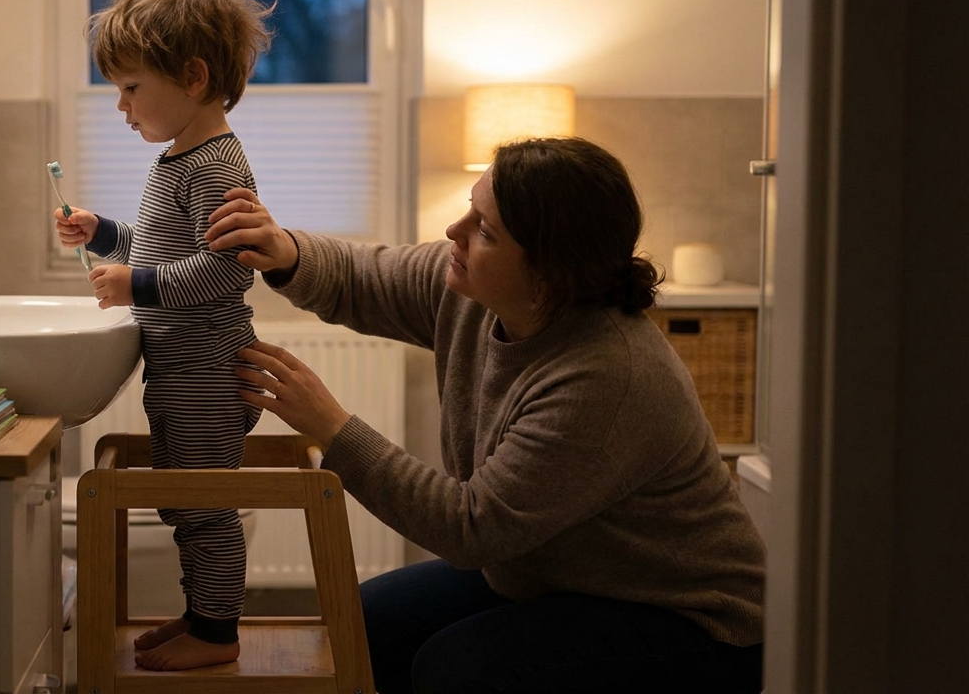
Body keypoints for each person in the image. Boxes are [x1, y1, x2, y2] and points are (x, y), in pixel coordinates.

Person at [203, 136, 766, 693]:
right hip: (550, 576)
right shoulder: (476, 289)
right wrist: (285, 251)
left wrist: (332, 427)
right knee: (361, 625)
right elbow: (361, 275)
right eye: (472, 208)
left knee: (458, 669)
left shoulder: (606, 377)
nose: (456, 231)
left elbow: (469, 528)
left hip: (689, 617)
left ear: (549, 273)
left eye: (485, 230)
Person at [53, 0, 274, 672]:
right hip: (185, 367)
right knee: (185, 503)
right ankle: (199, 618)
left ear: (194, 79)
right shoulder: (182, 160)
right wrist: (105, 233)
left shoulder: (213, 167)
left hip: (208, 367)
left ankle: (217, 635)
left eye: (130, 88)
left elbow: (225, 269)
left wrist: (134, 283)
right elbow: (167, 245)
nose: (122, 107)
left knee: (203, 503)